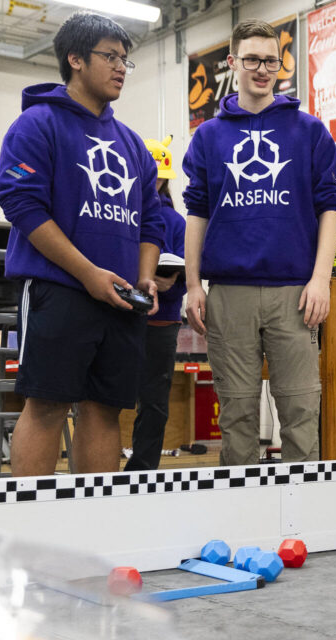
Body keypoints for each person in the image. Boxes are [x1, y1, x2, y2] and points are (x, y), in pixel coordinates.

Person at [0, 11, 163, 476]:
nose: (120, 69)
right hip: (59, 290)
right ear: (74, 59)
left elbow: (152, 220)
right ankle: (28, 533)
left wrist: (145, 277)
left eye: (125, 60)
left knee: (105, 409)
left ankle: (93, 526)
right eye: (109, 56)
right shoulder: (37, 125)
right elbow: (21, 205)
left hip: (122, 298)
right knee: (47, 404)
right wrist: (87, 273)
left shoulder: (133, 146)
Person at [183, 18, 336, 465]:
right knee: (236, 415)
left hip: (294, 293)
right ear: (233, 62)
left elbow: (330, 206)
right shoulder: (208, 137)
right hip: (229, 294)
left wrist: (321, 280)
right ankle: (242, 516)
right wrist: (193, 285)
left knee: (300, 410)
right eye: (252, 59)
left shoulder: (309, 130)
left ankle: (298, 521)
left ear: (280, 65)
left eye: (271, 60)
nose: (262, 69)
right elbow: (196, 212)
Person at [125, 135, 186, 471]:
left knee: (153, 401)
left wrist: (172, 281)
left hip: (161, 322)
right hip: (124, 317)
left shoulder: (176, 223)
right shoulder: (124, 214)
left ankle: (143, 468)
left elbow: (191, 269)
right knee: (117, 396)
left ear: (163, 178)